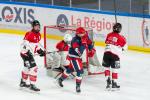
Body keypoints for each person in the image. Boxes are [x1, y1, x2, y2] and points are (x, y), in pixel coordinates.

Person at [57, 27, 95, 93]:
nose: (83, 34)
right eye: (81, 34)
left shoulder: (85, 35)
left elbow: (89, 43)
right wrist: (83, 44)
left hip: (77, 57)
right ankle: (78, 87)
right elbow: (79, 52)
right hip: (74, 57)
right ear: (77, 34)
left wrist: (91, 49)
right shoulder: (74, 40)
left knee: (70, 69)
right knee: (80, 71)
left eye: (83, 33)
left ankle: (60, 79)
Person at [19, 20, 45, 92]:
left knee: (27, 68)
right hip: (25, 54)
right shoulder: (30, 34)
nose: (37, 28)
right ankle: (32, 85)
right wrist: (27, 53)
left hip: (28, 53)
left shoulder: (39, 35)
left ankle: (23, 82)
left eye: (38, 26)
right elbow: (25, 45)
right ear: (33, 27)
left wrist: (40, 51)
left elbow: (35, 45)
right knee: (34, 68)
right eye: (36, 26)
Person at [102, 23, 127, 90]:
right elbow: (125, 46)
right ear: (120, 29)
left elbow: (106, 41)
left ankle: (108, 82)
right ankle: (114, 83)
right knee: (115, 69)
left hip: (106, 53)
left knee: (106, 68)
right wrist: (121, 49)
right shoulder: (121, 37)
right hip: (115, 55)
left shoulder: (108, 35)